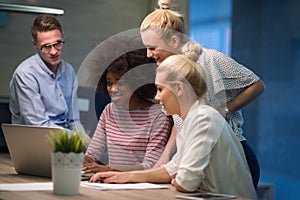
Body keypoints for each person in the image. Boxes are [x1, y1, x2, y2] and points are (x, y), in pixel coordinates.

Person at [88, 42, 257, 199]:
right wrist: (121, 176)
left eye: (161, 89)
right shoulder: (190, 120)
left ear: (179, 88)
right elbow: (171, 170)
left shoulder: (204, 118)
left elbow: (185, 182)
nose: (157, 96)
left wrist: (178, 177)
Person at [140, 0, 265, 189]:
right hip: (199, 158)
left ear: (174, 41)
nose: (149, 55)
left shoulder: (212, 58)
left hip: (232, 158)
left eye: (153, 47)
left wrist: (223, 109)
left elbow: (257, 85)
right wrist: (165, 158)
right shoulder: (171, 71)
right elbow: (180, 118)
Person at [82, 49, 172, 173]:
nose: (113, 89)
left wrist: (109, 169)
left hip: (141, 187)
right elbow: (92, 154)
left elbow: (150, 166)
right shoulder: (109, 111)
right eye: (109, 83)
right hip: (112, 184)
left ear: (136, 83)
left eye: (121, 82)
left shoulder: (158, 116)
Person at [9, 14, 88, 138]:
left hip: (65, 142)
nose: (54, 51)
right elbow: (39, 126)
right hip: (36, 142)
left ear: (63, 36)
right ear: (35, 44)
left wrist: (88, 145)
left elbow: (74, 121)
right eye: (46, 46)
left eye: (57, 43)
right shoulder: (25, 75)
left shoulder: (69, 71)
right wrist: (76, 140)